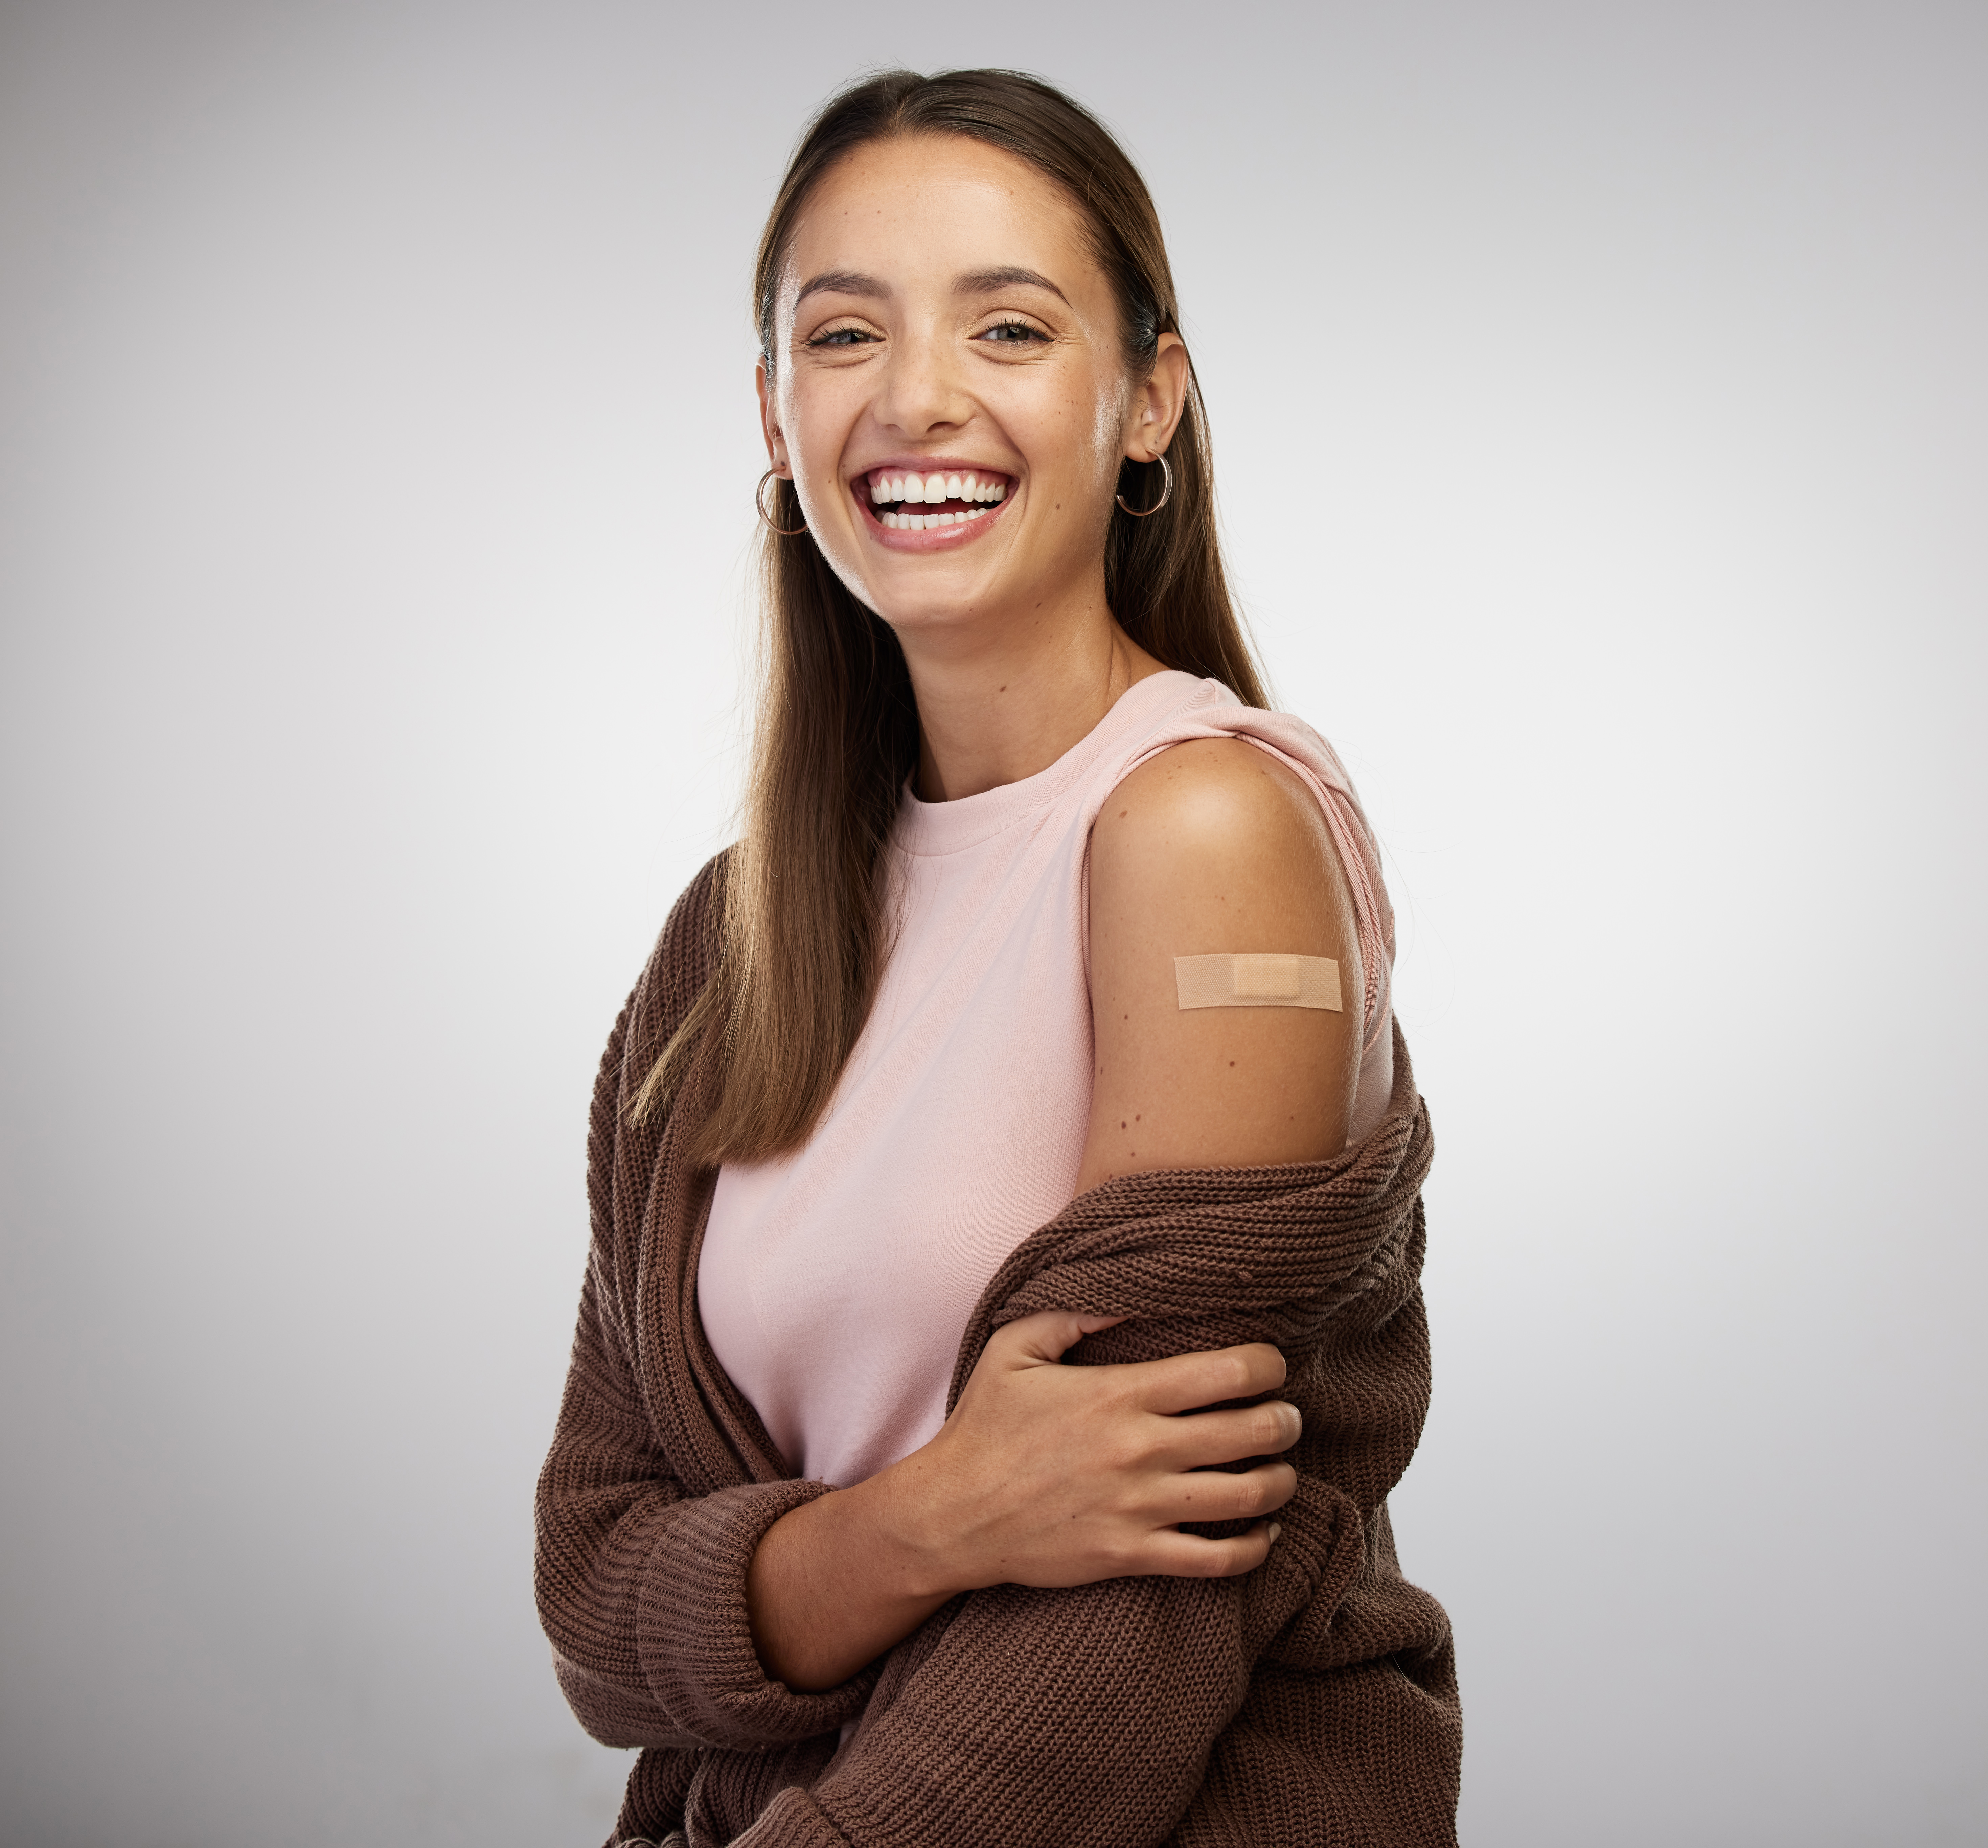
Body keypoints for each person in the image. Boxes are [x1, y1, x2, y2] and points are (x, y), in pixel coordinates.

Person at [536, 68, 1460, 1848]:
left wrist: (795, 1600)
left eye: (1010, 326)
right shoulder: (725, 947)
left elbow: (1142, 1610)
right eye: (844, 333)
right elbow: (594, 1594)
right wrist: (937, 1517)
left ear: (1147, 403)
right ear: (771, 406)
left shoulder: (1204, 835)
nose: (917, 399)